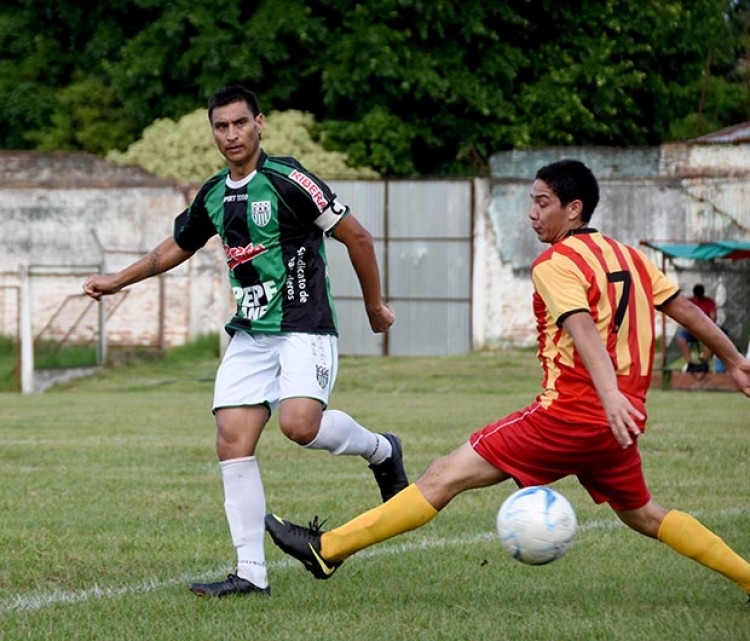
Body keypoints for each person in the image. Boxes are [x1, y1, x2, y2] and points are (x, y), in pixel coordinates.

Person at [265, 159, 750, 602]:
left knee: (443, 476)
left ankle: (327, 549)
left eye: (543, 203)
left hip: (570, 416)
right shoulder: (630, 257)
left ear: (574, 209)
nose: (532, 214)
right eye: (531, 202)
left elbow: (582, 328)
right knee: (644, 514)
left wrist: (606, 395)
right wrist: (732, 360)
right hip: (618, 422)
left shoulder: (557, 264)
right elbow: (684, 309)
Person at [82, 85, 408, 598]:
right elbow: (178, 246)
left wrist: (374, 307)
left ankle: (381, 450)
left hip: (303, 326)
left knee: (299, 427)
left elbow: (358, 238)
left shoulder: (289, 180)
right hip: (251, 333)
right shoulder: (214, 192)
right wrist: (117, 281)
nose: (231, 134)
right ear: (213, 132)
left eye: (240, 123)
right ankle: (251, 573)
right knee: (231, 441)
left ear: (260, 123)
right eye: (221, 126)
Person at [675, 283, 717, 372]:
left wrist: (709, 327)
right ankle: (690, 363)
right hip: (691, 329)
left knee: (711, 338)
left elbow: (713, 317)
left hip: (705, 329)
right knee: (680, 337)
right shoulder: (689, 301)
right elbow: (682, 314)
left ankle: (704, 363)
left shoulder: (709, 302)